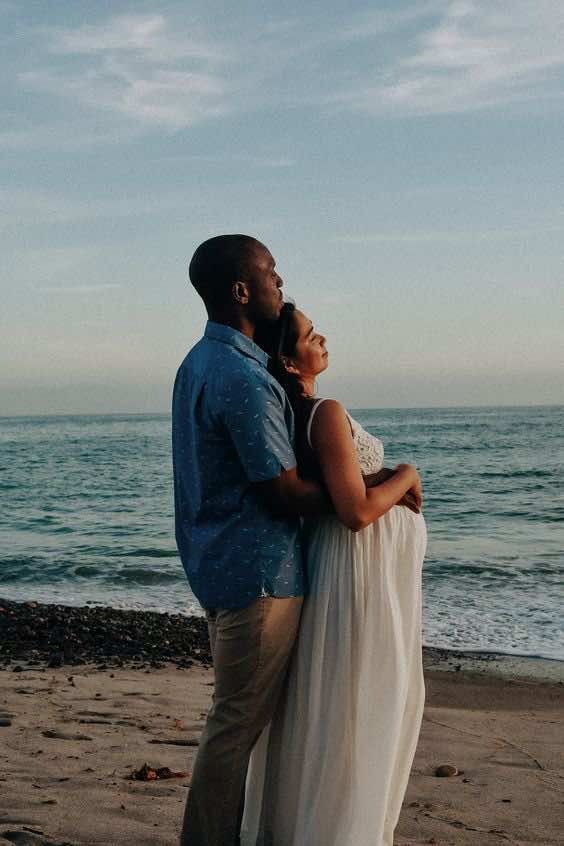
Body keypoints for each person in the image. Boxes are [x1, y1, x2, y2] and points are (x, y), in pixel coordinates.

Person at [241, 303, 427, 846]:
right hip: (357, 572)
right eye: (310, 335)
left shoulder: (300, 415)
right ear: (289, 361)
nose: (323, 339)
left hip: (352, 569)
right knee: (360, 698)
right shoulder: (324, 412)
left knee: (342, 697)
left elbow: (346, 490)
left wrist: (381, 476)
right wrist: (407, 474)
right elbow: (356, 512)